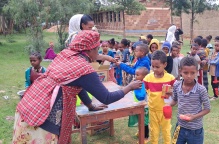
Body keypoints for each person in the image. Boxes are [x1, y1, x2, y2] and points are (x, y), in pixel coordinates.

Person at [12, 31, 142, 144]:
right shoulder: (84, 69)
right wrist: (129, 87)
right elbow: (106, 97)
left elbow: (76, 84)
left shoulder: (65, 54)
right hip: (44, 118)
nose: (99, 51)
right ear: (89, 49)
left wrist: (90, 106)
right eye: (97, 48)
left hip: (29, 105)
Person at [170, 57, 211, 144]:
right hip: (179, 127)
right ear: (180, 71)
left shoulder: (201, 89)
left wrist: (194, 116)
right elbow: (174, 100)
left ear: (197, 72)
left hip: (195, 130)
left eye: (192, 73)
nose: (189, 76)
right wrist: (166, 105)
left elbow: (207, 109)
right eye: (185, 72)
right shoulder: (176, 85)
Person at [143, 50, 176, 144]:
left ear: (165, 64)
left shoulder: (170, 78)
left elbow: (178, 91)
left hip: (166, 110)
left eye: (157, 67)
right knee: (154, 131)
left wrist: (172, 92)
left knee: (166, 130)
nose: (154, 69)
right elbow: (143, 92)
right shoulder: (148, 78)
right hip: (153, 110)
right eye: (152, 66)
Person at [128, 67, 150, 143]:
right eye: (135, 74)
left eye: (137, 75)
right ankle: (140, 132)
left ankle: (146, 137)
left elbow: (141, 96)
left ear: (144, 77)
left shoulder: (143, 84)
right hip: (138, 105)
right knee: (139, 120)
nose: (135, 76)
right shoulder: (137, 82)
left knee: (144, 122)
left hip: (144, 107)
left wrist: (135, 88)